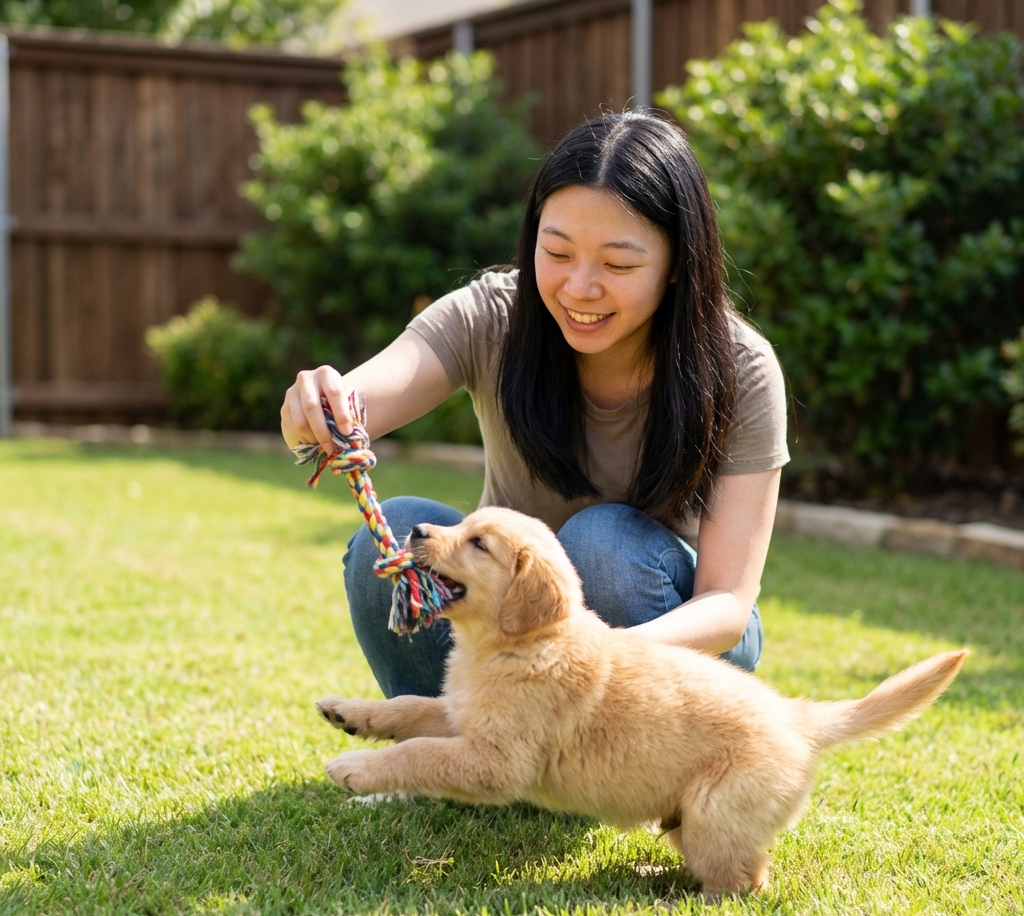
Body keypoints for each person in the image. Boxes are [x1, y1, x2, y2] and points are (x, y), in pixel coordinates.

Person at [280, 111, 789, 699]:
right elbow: (357, 400)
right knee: (391, 533)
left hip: (667, 649)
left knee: (601, 546)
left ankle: (608, 774)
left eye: (618, 264)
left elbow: (725, 603)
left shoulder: (739, 368)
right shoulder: (492, 317)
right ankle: (457, 751)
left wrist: (590, 653)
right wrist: (315, 409)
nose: (579, 288)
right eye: (558, 252)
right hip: (514, 625)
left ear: (677, 265)